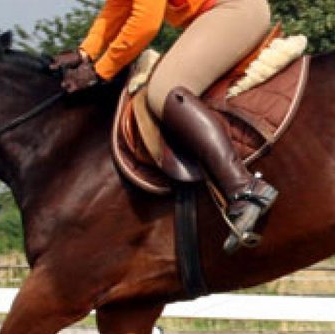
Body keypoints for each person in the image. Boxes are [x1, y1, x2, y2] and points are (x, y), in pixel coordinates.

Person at [50, 0, 278, 249]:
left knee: (164, 90)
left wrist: (101, 70)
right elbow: (119, 5)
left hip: (232, 10)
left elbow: (145, 23)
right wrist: (86, 52)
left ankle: (244, 188)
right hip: (214, 15)